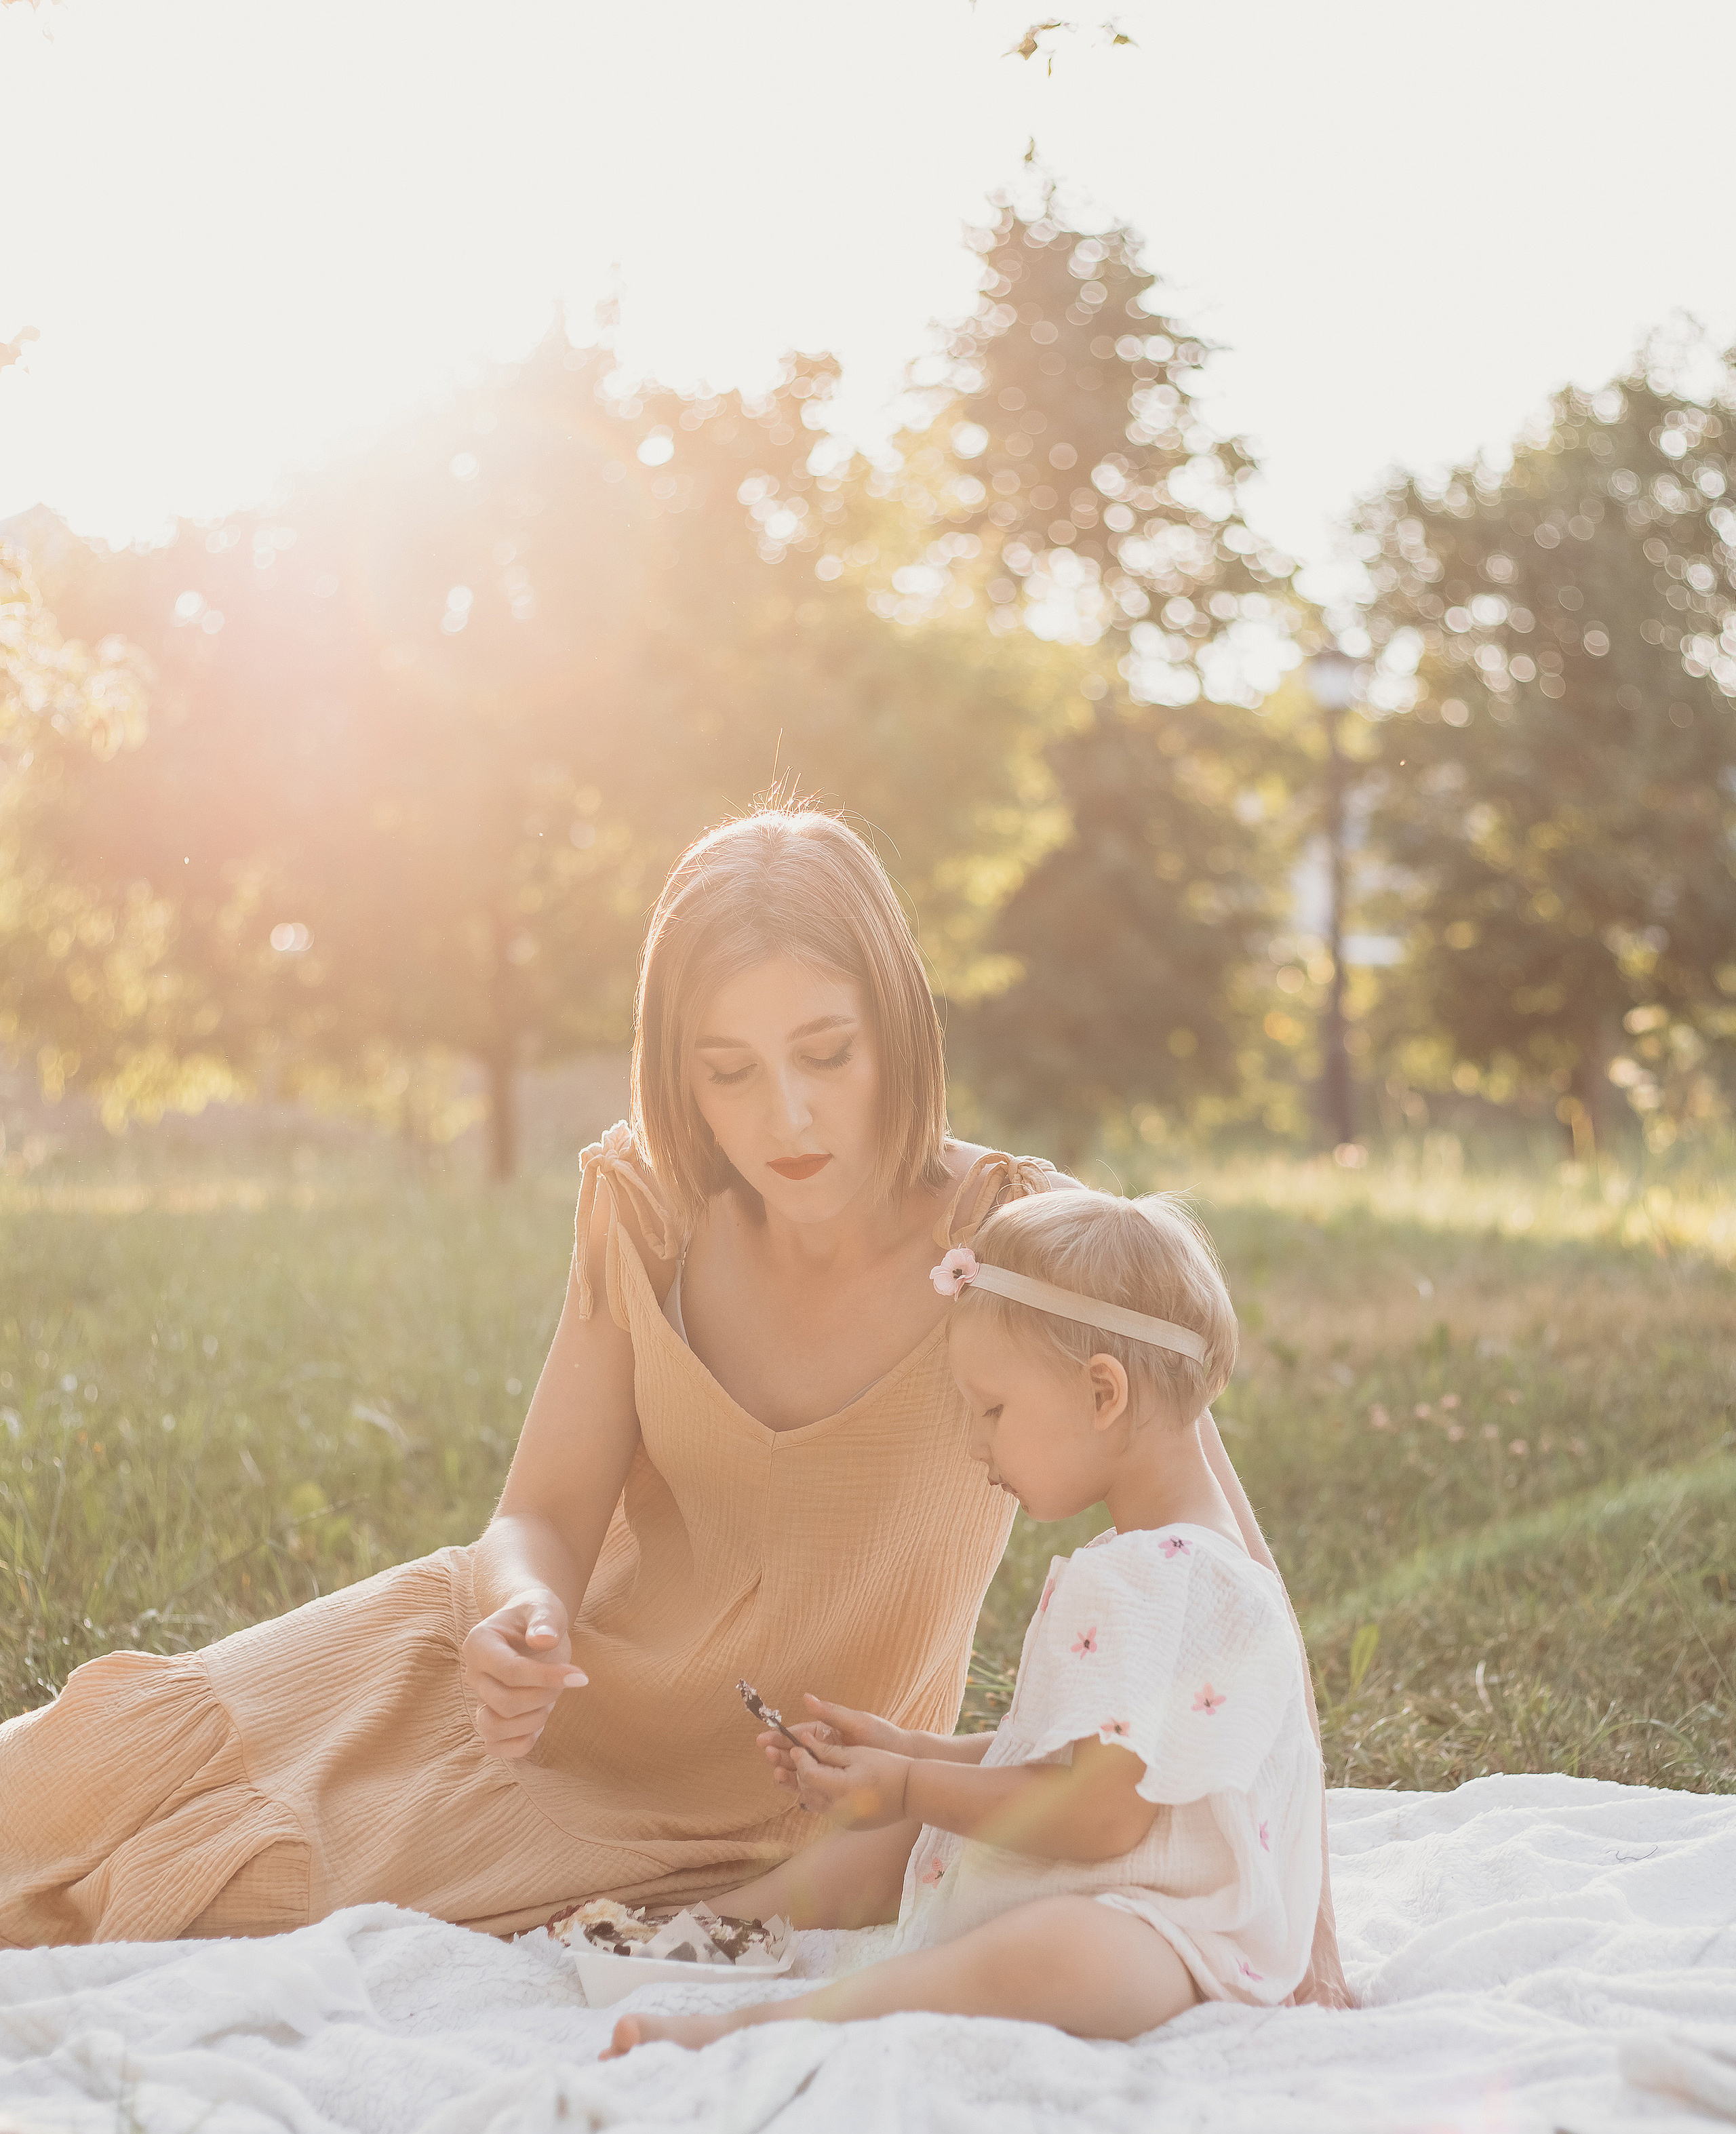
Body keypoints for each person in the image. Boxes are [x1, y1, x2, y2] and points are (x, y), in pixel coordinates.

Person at [1, 810, 1345, 2002]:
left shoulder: (1024, 1244)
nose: (788, 1113)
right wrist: (518, 1610)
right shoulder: (646, 1207)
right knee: (85, 1764)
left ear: (895, 1021)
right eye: (729, 1070)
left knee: (244, 1892)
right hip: (516, 1700)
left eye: (826, 1051)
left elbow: (1237, 1604)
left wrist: (1314, 1938)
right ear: (676, 1070)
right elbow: (538, 1513)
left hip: (749, 1809)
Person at [608, 1184, 1324, 2057]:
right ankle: (715, 1927)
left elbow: (1103, 1819)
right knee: (918, 1831)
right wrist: (910, 1754)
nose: (976, 1446)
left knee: (1056, 1953)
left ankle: (763, 2024)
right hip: (1122, 1876)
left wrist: (908, 1788)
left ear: (1103, 1393)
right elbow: (1080, 1765)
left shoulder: (1140, 1579)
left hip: (1174, 1930)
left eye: (992, 1410)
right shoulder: (1210, 1561)